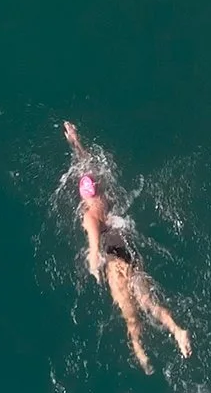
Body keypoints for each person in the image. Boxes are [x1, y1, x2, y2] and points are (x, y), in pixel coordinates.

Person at [64, 121, 192, 373]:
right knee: (147, 299)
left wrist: (93, 267)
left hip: (115, 258)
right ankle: (177, 329)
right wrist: (76, 140)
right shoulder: (103, 196)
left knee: (130, 314)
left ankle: (139, 351)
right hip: (128, 245)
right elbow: (86, 163)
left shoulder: (89, 216)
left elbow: (92, 249)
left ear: (83, 196)